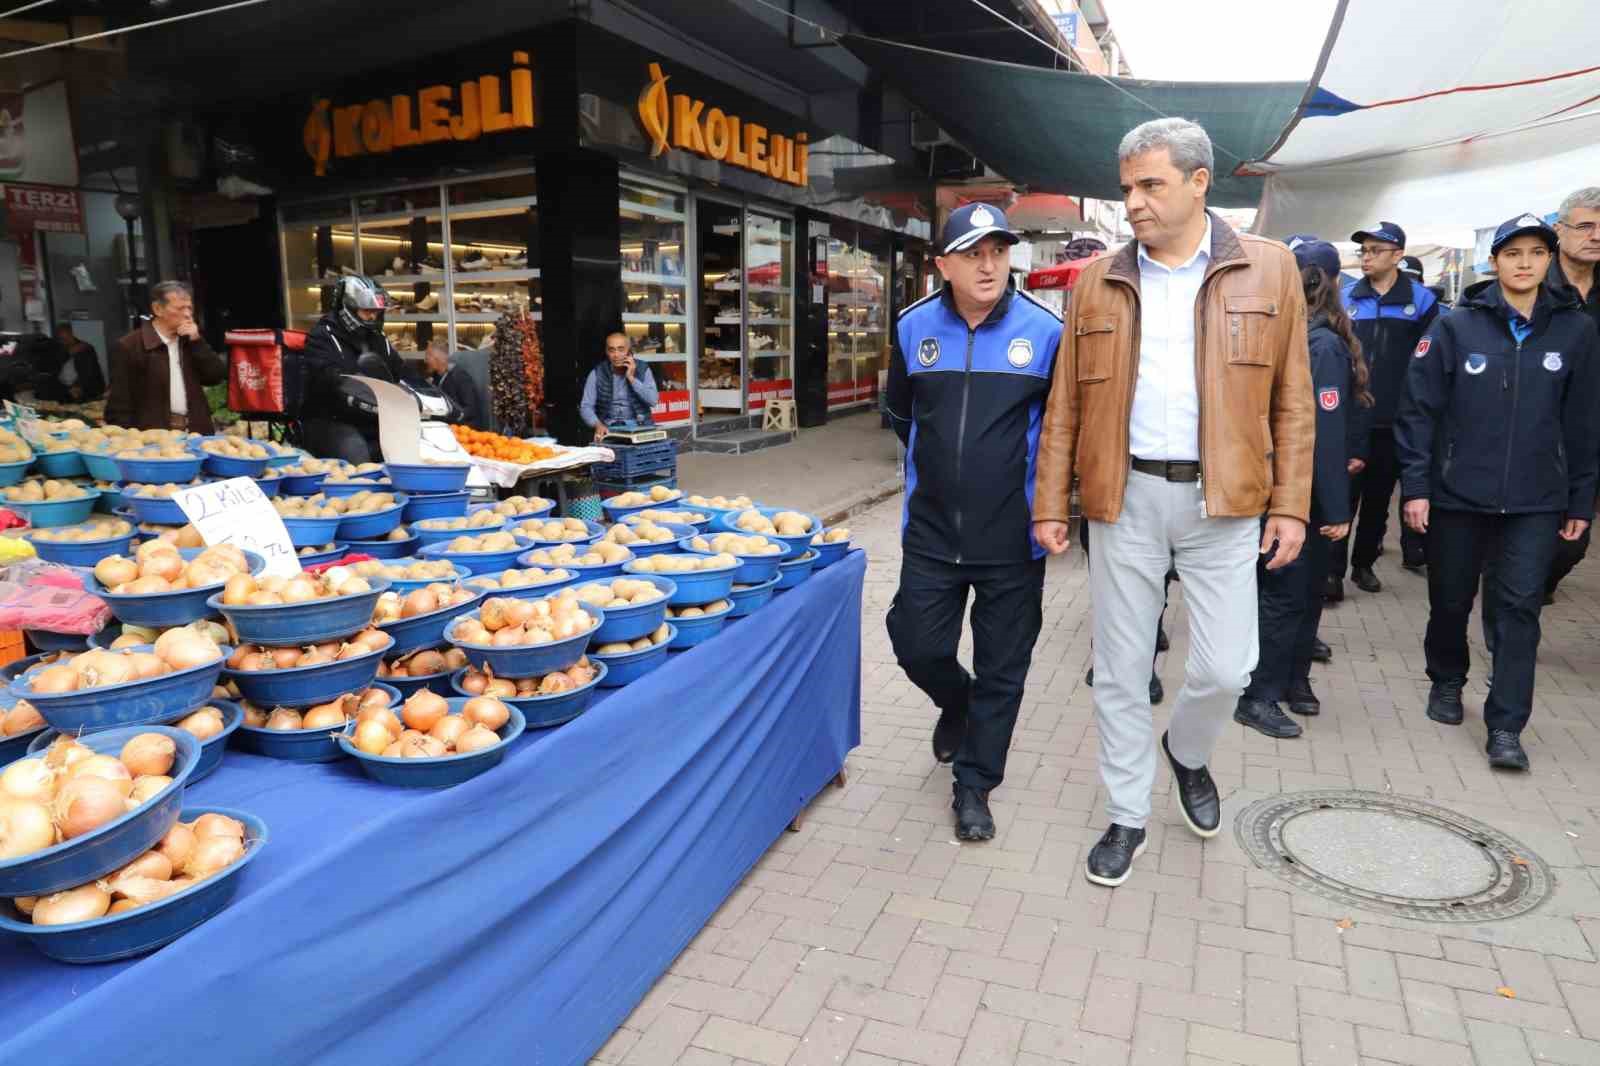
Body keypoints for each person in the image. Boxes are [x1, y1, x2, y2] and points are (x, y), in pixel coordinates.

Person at [1033, 117, 1315, 887]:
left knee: (1229, 669)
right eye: (1127, 187)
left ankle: (1187, 754)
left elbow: (1294, 398)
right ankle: (1127, 814)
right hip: (1122, 500)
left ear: (1199, 182)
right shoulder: (1100, 280)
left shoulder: (1270, 270)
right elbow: (1064, 405)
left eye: (1150, 184)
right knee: (1121, 670)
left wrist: (1291, 505)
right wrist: (1051, 502)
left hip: (1224, 502)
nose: (1134, 203)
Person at [884, 201, 1063, 842]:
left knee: (1003, 669)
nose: (988, 265)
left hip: (1013, 538)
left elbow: (1062, 431)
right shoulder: (911, 328)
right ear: (942, 265)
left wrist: (1052, 507)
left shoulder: (1046, 330)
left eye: (998, 251)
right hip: (931, 532)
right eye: (972, 253)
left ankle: (975, 785)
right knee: (916, 643)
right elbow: (902, 417)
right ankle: (956, 704)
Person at [1396, 214, 1600, 771]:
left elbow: (1584, 423)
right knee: (1451, 599)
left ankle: (1506, 724)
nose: (1526, 263)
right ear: (1496, 262)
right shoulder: (1456, 326)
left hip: (1537, 500)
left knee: (1519, 609)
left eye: (1537, 252)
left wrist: (1581, 500)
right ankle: (1446, 678)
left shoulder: (1575, 331)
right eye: (1514, 253)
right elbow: (1418, 413)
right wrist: (1416, 487)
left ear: (1549, 260)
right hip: (1458, 494)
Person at [1235, 239, 1371, 738]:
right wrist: (1336, 507)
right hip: (1300, 496)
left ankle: (1290, 682)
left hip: (1285, 490)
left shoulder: (1303, 338)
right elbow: (1324, 436)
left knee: (1296, 594)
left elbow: (1323, 431)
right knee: (1287, 596)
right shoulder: (1318, 341)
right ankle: (1259, 694)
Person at [1329, 221, 1440, 600]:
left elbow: (1429, 361)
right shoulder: (1345, 297)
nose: (1367, 257)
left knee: (1378, 500)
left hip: (1396, 419)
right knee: (1341, 496)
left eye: (1376, 250)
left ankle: (1363, 564)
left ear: (1397, 255)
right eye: (1363, 250)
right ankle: (1331, 571)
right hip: (1350, 418)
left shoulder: (1422, 301)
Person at [1538, 188, 1600, 601]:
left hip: (1592, 433)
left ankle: (1535, 583)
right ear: (1559, 230)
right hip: (1541, 431)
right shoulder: (1534, 283)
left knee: (1573, 542)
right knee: (1541, 534)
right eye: (1586, 226)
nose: (1596, 235)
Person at [300, 275, 420, 463]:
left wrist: (421, 389)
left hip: (375, 416)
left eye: (376, 311)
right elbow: (326, 376)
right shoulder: (322, 337)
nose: (373, 316)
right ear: (347, 307)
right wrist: (349, 386)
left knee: (414, 448)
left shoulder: (377, 338)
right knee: (357, 454)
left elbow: (400, 370)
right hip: (331, 419)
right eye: (367, 311)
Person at [105, 281, 227, 432]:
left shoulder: (190, 341)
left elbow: (216, 376)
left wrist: (197, 342)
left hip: (195, 433)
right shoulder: (130, 346)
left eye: (190, 308)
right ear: (158, 309)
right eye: (180, 308)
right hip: (153, 438)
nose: (188, 314)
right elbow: (119, 404)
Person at [579, 332, 658, 442]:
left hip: (638, 426)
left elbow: (653, 401)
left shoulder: (643, 369)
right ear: (607, 352)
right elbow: (586, 406)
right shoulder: (597, 373)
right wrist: (597, 425)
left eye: (621, 349)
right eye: (612, 350)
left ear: (629, 352)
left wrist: (631, 378)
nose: (616, 355)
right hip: (608, 427)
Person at [424, 339, 487, 429]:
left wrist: (451, 416)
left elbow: (470, 409)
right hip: (447, 427)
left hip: (464, 431)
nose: (425, 360)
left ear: (438, 358)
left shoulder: (460, 377)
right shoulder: (436, 378)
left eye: (428, 355)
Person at [52, 323, 105, 403]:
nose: (63, 342)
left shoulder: (85, 348)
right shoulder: (61, 350)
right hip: (71, 392)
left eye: (65, 338)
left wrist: (79, 387)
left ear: (70, 333)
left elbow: (88, 372)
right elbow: (58, 369)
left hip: (89, 391)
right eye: (60, 339)